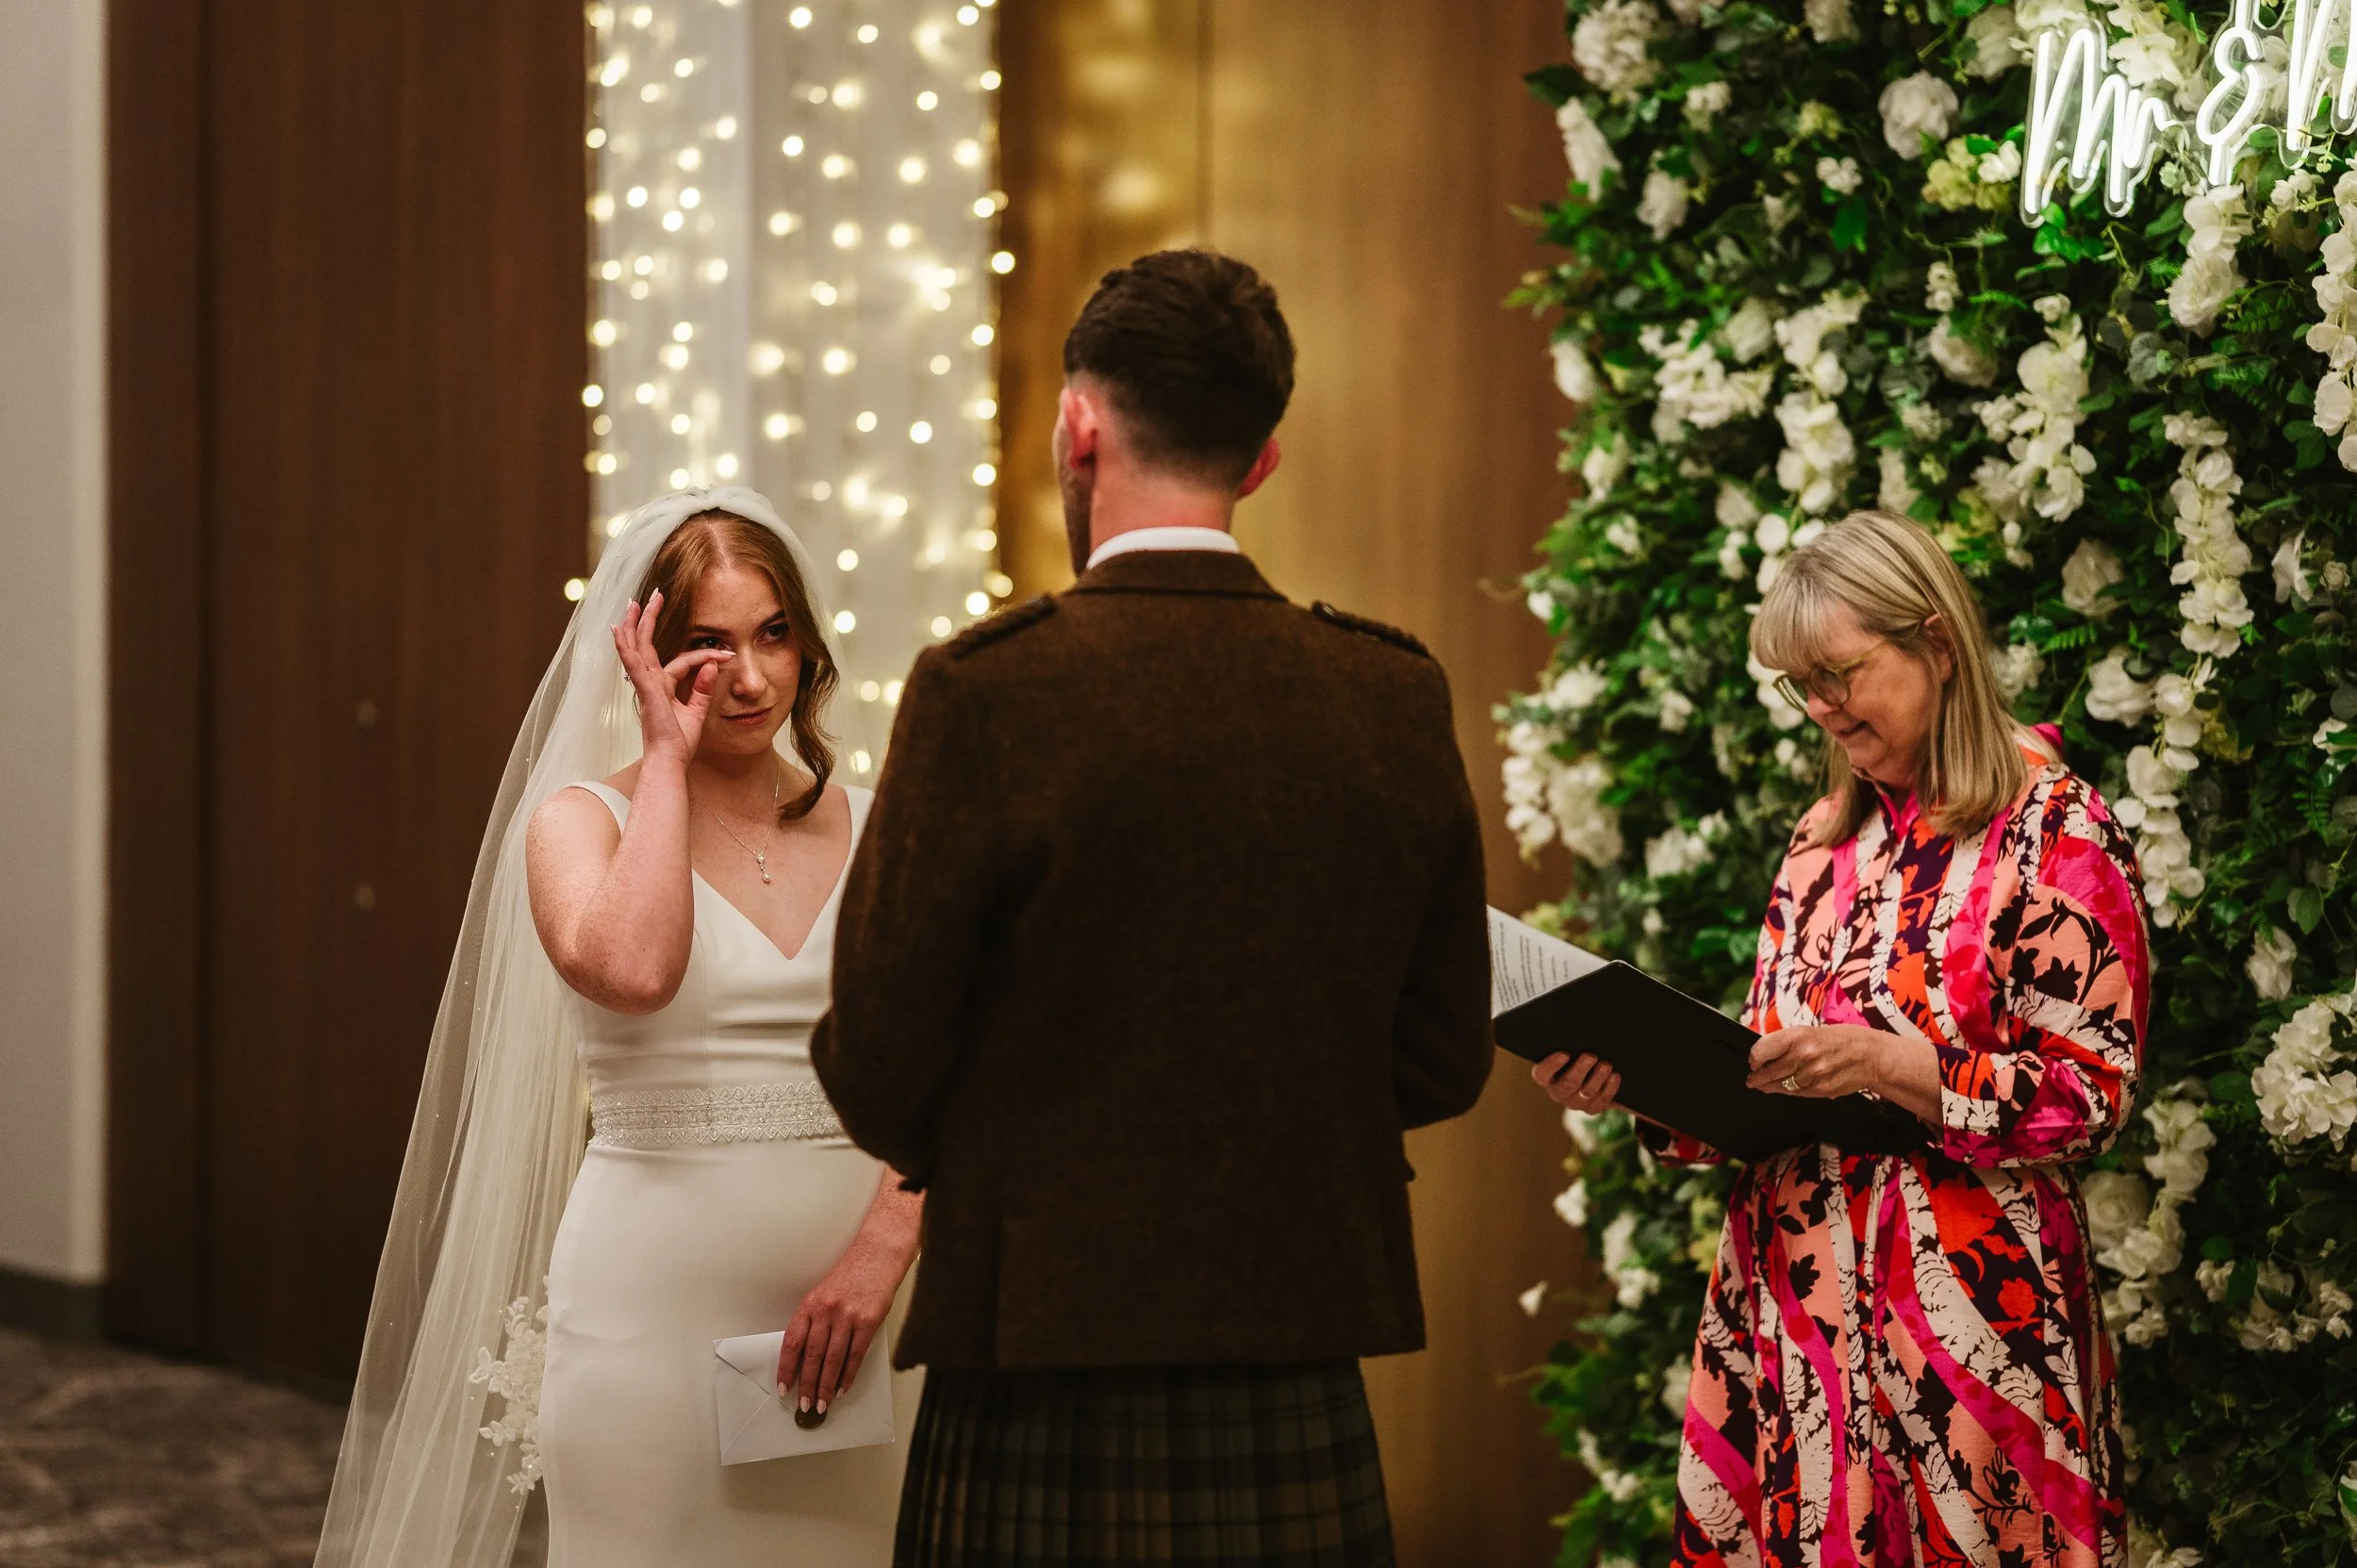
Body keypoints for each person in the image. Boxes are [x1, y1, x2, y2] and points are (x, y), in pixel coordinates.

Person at [811, 249, 1494, 1568]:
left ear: (1081, 424)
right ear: (1262, 457)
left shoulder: (987, 691)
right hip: (1296, 1345)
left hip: (1039, 1353)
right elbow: (1440, 1054)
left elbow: (883, 1070)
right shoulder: (1389, 693)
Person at [316, 490, 918, 1568]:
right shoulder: (578, 823)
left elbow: (956, 1070)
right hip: (655, 1306)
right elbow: (635, 971)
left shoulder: (884, 824)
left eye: (774, 633)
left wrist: (884, 1248)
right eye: (706, 643)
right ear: (644, 654)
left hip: (862, 1312)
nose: (748, 676)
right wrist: (668, 766)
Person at [1535, 508, 2147, 1567]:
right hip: (1797, 1311)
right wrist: (1641, 1083)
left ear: (1937, 646)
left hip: (1972, 1324)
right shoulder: (1820, 845)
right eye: (1799, 684)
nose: (1820, 706)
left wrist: (1896, 1067)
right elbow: (1765, 1076)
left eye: (1839, 673)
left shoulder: (2057, 828)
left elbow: (2090, 1095)